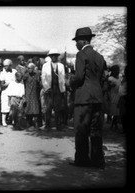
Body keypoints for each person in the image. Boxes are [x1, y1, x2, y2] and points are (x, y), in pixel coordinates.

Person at [69, 27, 107, 169]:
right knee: (96, 130)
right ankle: (97, 161)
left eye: (77, 41)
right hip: (97, 98)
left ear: (83, 40)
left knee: (81, 130)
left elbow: (79, 77)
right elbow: (103, 78)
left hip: (84, 98)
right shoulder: (100, 56)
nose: (76, 44)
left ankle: (82, 160)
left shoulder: (81, 55)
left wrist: (70, 81)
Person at [41, 48, 66, 131]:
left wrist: (63, 89)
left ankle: (58, 126)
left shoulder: (61, 66)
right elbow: (43, 78)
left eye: (55, 56)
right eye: (52, 56)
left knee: (58, 108)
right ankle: (47, 125)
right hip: (49, 89)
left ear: (57, 56)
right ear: (50, 57)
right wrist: (46, 88)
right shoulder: (45, 66)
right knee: (48, 108)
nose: (54, 57)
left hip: (58, 90)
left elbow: (63, 78)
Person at [0, 59, 17, 126]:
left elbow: (18, 80)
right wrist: (9, 83)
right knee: (5, 105)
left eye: (6, 66)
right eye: (4, 66)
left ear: (10, 65)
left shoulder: (14, 71)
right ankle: (3, 121)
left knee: (13, 106)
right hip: (5, 91)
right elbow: (2, 85)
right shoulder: (2, 73)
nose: (5, 67)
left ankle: (13, 120)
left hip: (13, 91)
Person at [23, 62, 41, 129]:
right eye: (28, 68)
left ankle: (36, 124)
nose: (29, 69)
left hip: (34, 94)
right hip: (28, 93)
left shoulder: (36, 75)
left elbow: (39, 83)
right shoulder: (26, 75)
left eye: (30, 68)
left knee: (35, 109)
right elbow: (23, 82)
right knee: (28, 109)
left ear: (33, 68)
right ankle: (28, 124)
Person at [107, 65, 121, 131]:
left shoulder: (118, 79)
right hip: (112, 96)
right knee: (114, 111)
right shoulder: (110, 79)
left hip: (118, 96)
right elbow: (108, 88)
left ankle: (113, 125)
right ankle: (113, 125)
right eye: (117, 70)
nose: (118, 71)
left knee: (116, 112)